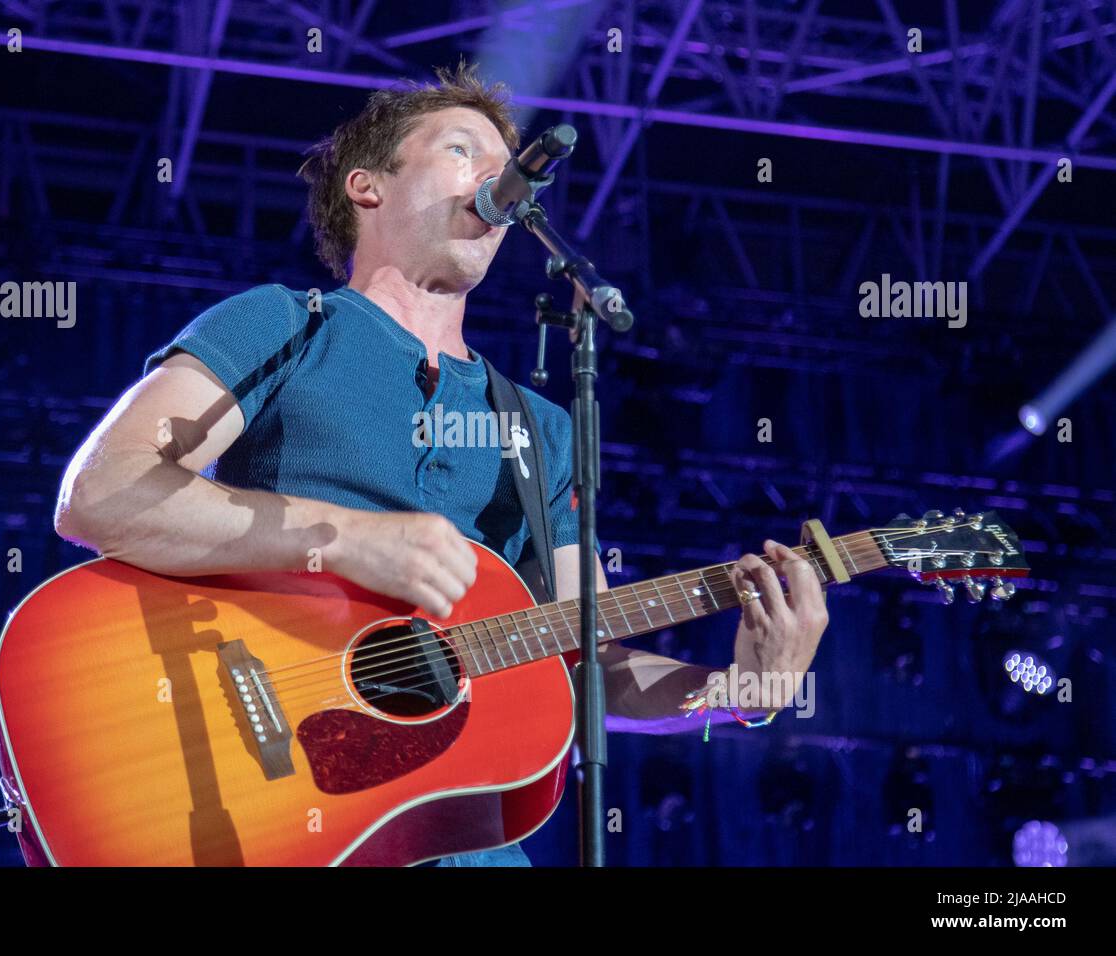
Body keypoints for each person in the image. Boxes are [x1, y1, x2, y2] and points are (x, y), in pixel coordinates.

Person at [52, 60, 829, 866]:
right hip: (272, 814)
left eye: (508, 167)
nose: (500, 179)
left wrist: (743, 694)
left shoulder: (540, 429)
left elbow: (589, 663)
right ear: (367, 187)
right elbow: (102, 492)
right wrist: (343, 538)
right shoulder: (284, 325)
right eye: (464, 151)